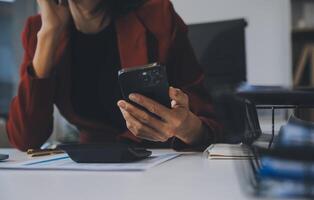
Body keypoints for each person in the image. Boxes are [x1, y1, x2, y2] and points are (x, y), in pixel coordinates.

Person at [6, 0, 222, 151]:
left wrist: (187, 128)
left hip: (160, 161)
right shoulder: (39, 29)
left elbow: (207, 122)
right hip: (92, 168)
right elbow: (26, 139)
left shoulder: (158, 15)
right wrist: (50, 34)